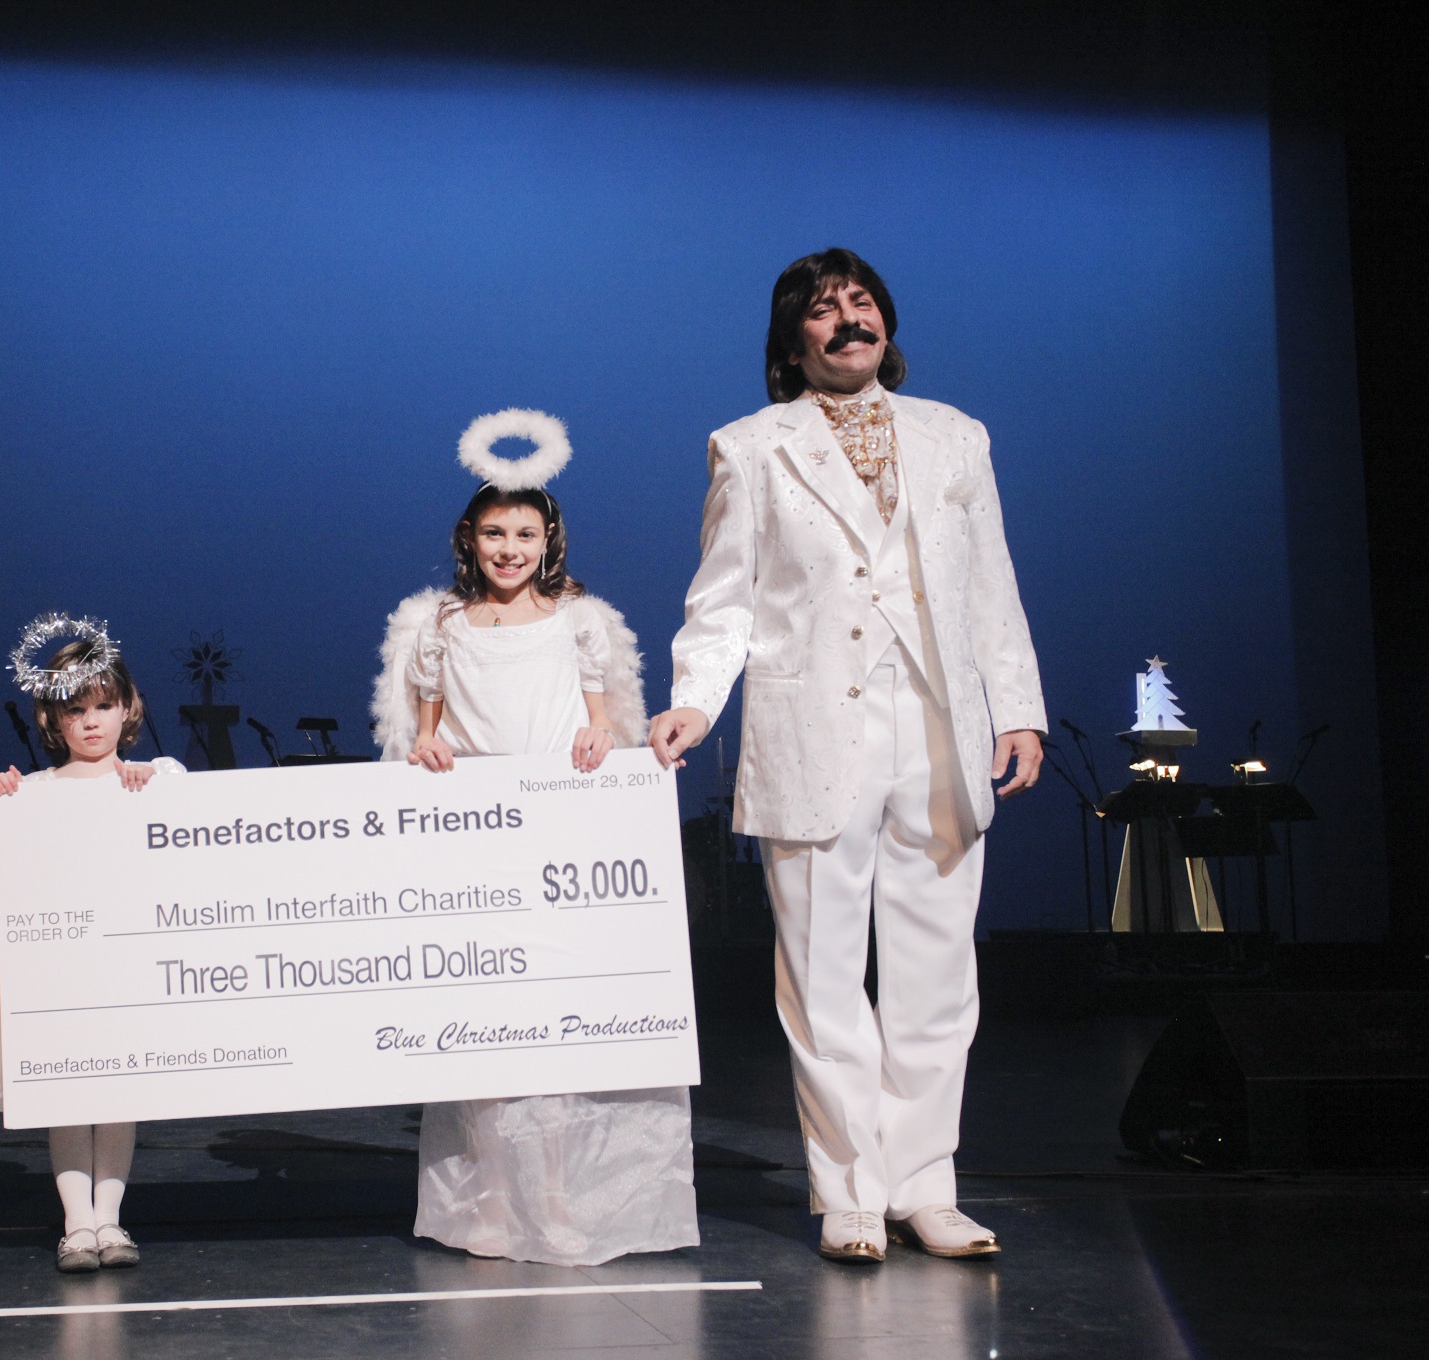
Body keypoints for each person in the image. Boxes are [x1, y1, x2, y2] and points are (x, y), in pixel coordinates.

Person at [649, 248, 1045, 1263]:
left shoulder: (956, 436)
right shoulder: (750, 447)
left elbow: (990, 584)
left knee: (937, 974)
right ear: (794, 343)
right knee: (824, 976)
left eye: (861, 302)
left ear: (887, 324)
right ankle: (850, 1192)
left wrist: (1018, 708)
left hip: (938, 727)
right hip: (814, 730)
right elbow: (725, 597)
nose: (848, 319)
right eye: (824, 311)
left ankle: (924, 1186)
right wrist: (695, 700)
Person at [372, 409, 697, 1267]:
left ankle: (551, 1200)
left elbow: (605, 717)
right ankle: (488, 1198)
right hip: (475, 846)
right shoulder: (440, 625)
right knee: (485, 1028)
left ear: (548, 540)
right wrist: (426, 748)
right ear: (469, 539)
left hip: (556, 842)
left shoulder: (578, 620)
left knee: (552, 1031)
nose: (508, 548)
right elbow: (421, 731)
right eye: (494, 533)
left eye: (523, 533)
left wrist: (602, 737)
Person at [0, 627, 184, 1274]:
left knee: (115, 1096)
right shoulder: (33, 791)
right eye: (76, 709)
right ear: (53, 719)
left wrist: (149, 788)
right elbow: (13, 885)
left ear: (127, 708)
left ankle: (110, 1219)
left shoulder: (155, 778)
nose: (91, 721)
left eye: (103, 706)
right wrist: (9, 805)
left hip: (123, 966)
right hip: (63, 971)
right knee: (66, 1094)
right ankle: (76, 1224)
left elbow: (183, 847)